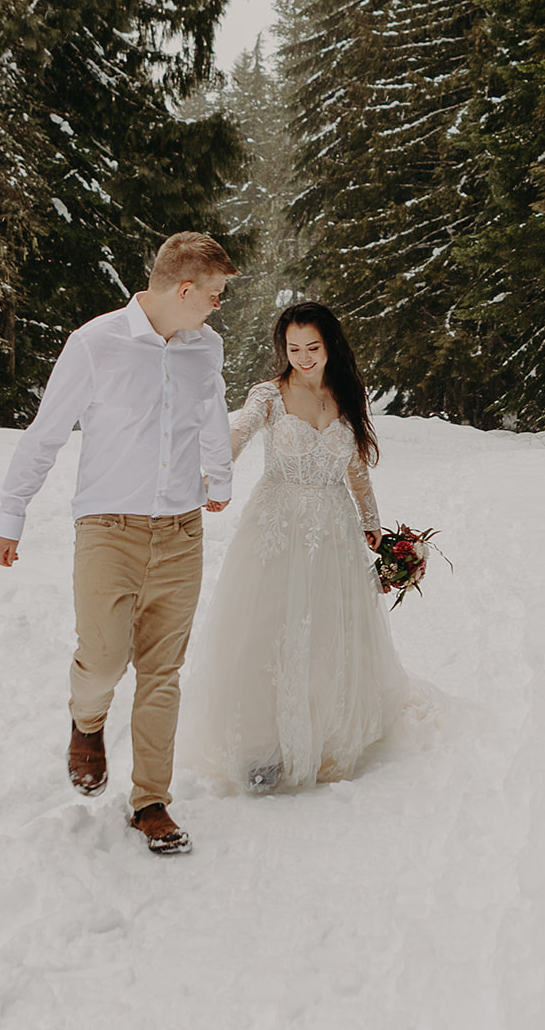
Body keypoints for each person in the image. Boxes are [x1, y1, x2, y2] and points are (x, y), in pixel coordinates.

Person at [0, 231, 238, 855]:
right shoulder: (95, 343)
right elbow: (46, 432)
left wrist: (220, 476)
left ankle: (151, 801)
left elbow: (212, 410)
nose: (217, 307)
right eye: (212, 295)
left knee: (162, 672)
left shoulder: (205, 347)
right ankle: (87, 722)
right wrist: (11, 509)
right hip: (108, 530)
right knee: (103, 659)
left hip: (181, 531)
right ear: (184, 289)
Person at [183, 301, 406, 794]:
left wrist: (371, 524)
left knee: (327, 627)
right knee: (268, 628)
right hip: (277, 524)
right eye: (293, 348)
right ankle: (262, 747)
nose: (303, 357)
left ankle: (322, 737)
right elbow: (236, 433)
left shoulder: (345, 394)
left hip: (334, 530)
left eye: (313, 348)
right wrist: (214, 477)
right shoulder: (270, 394)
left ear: (330, 347)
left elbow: (356, 469)